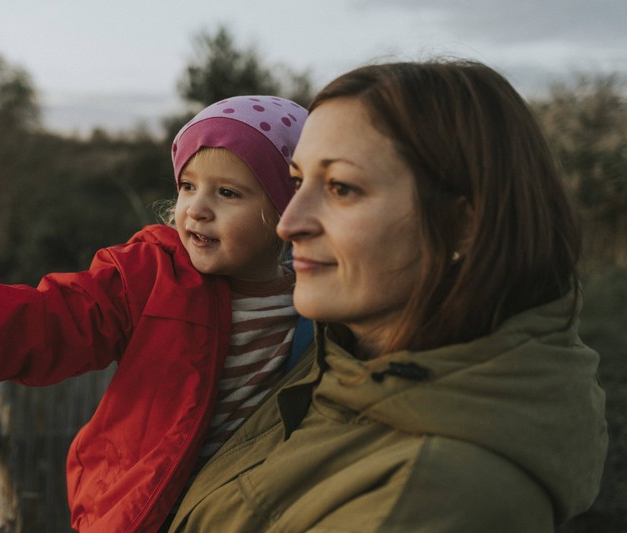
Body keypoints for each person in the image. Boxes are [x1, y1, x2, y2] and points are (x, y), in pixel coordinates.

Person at [168, 60, 609, 532]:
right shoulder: (336, 360)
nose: (288, 223)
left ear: (463, 223)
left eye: (341, 188)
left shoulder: (427, 499)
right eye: (297, 183)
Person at [0, 94, 311, 533]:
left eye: (228, 193)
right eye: (188, 186)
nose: (197, 209)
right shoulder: (152, 276)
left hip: (248, 506)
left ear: (286, 210)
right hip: (140, 505)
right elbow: (52, 317)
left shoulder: (317, 301)